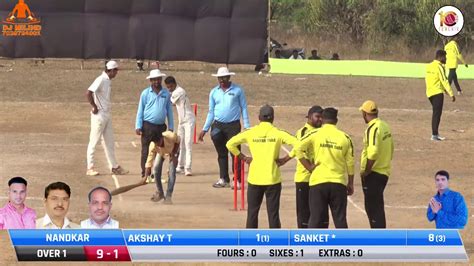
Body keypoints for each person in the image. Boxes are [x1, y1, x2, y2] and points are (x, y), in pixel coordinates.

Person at [226, 105, 297, 228]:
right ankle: (275, 243)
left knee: (252, 213)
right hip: (273, 179)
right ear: (273, 118)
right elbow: (299, 145)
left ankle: (251, 242)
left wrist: (243, 157)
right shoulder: (278, 133)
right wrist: (286, 159)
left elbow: (230, 144)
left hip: (255, 179)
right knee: (273, 214)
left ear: (259, 117)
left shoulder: (251, 132)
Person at [295, 107, 354, 228]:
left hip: (318, 183)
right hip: (338, 183)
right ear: (336, 121)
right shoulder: (345, 138)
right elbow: (350, 163)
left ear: (322, 120)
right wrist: (350, 183)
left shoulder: (315, 133)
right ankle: (345, 246)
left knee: (315, 218)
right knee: (340, 220)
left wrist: (309, 166)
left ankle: (310, 246)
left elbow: (298, 149)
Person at [198, 67, 250, 189]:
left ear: (229, 77)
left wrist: (247, 126)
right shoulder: (214, 92)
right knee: (221, 153)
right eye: (220, 78)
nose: (221, 80)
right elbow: (211, 111)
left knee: (235, 153)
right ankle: (224, 179)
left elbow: (244, 108)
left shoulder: (238, 90)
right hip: (218, 125)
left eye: (224, 78)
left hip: (233, 125)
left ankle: (237, 180)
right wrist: (204, 129)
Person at [277, 106, 323, 228]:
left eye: (322, 117)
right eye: (317, 117)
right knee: (304, 213)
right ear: (309, 117)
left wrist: (285, 159)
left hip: (318, 179)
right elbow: (298, 150)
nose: (320, 120)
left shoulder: (322, 132)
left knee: (317, 212)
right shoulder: (303, 132)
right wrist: (308, 166)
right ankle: (303, 240)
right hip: (304, 178)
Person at [86, 60, 129, 176]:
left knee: (109, 142)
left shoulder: (108, 80)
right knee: (93, 141)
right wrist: (94, 107)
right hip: (99, 116)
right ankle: (90, 167)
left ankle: (114, 167)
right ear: (111, 70)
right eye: (116, 71)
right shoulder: (101, 79)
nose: (116, 73)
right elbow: (88, 93)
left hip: (107, 115)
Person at [359, 100, 394, 228]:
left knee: (373, 209)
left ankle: (378, 239)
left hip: (373, 173)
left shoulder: (372, 129)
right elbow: (391, 147)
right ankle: (380, 237)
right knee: (378, 207)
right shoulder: (385, 125)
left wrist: (367, 170)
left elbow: (372, 152)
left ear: (364, 113)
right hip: (384, 171)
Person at [136, 69, 174, 177]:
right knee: (146, 150)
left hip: (161, 127)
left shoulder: (166, 93)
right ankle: (145, 173)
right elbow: (140, 110)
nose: (156, 82)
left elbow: (169, 111)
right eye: (154, 80)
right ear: (150, 81)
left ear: (161, 79)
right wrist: (138, 126)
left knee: (160, 150)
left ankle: (156, 173)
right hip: (147, 125)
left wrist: (171, 127)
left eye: (158, 79)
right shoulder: (145, 93)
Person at [164, 76, 195, 176]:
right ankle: (180, 166)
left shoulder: (179, 91)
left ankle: (188, 168)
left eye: (170, 87)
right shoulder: (174, 91)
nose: (169, 89)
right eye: (167, 87)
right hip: (181, 121)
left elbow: (169, 102)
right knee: (180, 144)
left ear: (175, 83)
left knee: (188, 144)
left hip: (189, 120)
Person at [425, 50, 455, 141]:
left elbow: (431, 79)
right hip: (437, 93)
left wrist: (444, 90)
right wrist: (451, 93)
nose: (446, 59)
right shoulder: (439, 67)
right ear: (441, 57)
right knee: (437, 114)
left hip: (430, 93)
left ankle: (435, 133)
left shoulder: (429, 66)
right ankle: (434, 135)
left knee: (435, 113)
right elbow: (444, 80)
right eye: (445, 57)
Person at [145, 131, 180, 204]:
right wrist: (147, 173)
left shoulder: (171, 136)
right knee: (156, 170)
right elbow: (149, 158)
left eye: (159, 142)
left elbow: (178, 140)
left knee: (172, 172)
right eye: (156, 143)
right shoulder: (153, 145)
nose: (158, 144)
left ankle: (168, 196)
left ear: (162, 138)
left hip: (173, 150)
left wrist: (174, 154)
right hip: (161, 152)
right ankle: (160, 192)